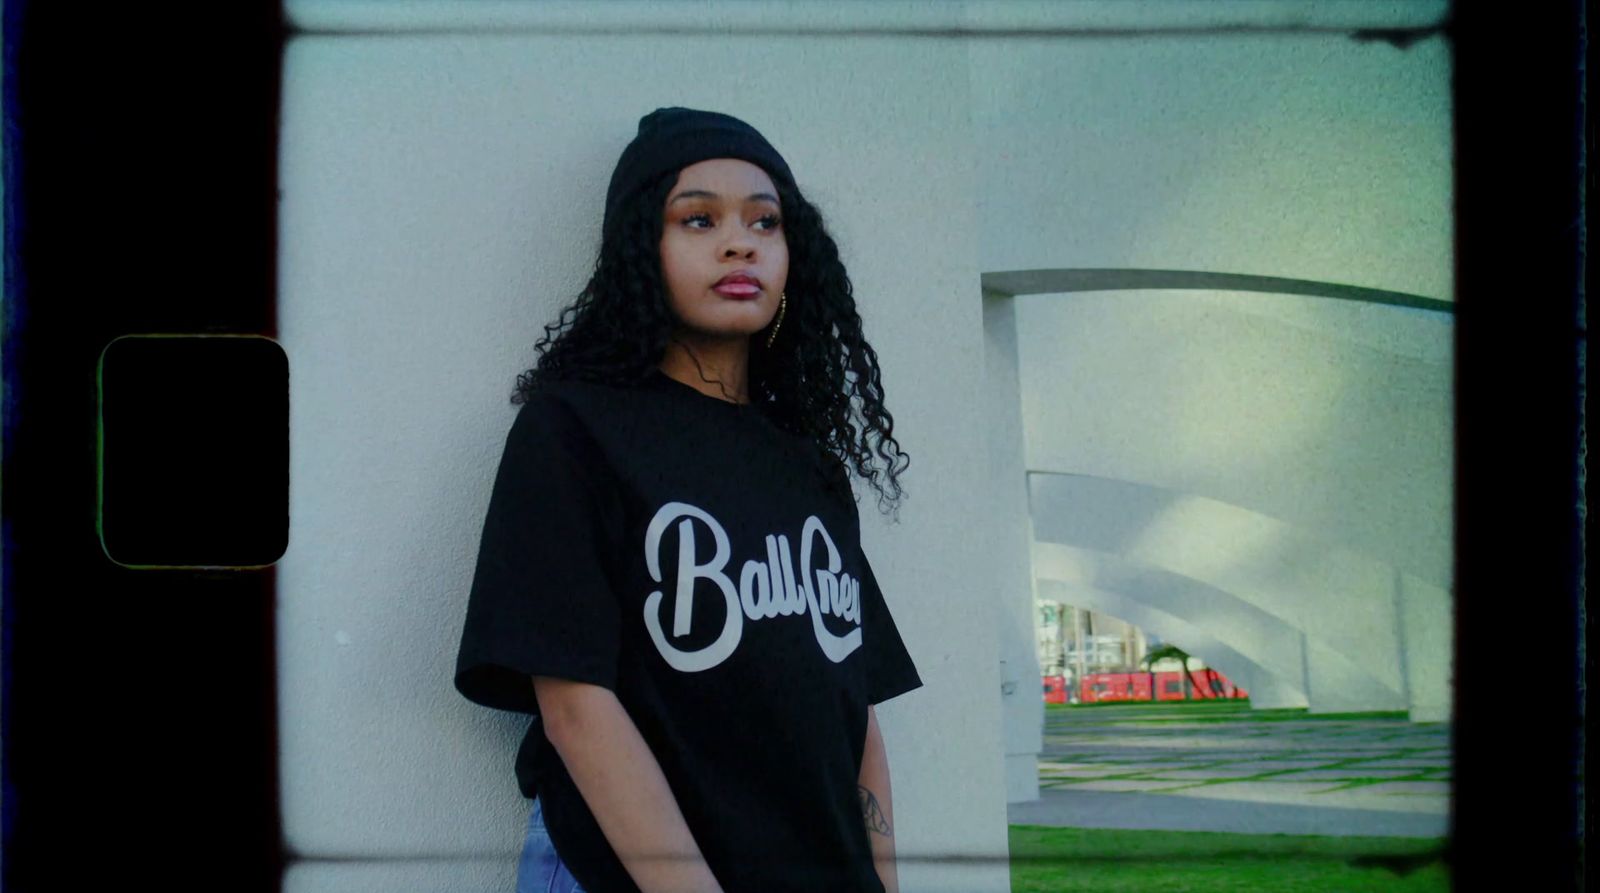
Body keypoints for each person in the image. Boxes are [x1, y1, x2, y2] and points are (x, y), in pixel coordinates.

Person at [454, 107, 923, 893]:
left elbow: (856, 706)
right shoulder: (574, 430)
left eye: (764, 222)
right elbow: (574, 703)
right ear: (645, 244)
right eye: (697, 218)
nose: (739, 241)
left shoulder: (809, 468)